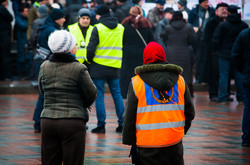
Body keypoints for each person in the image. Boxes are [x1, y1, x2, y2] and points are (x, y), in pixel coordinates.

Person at [122, 42, 195, 165]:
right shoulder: (180, 80)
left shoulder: (136, 83)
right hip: (173, 142)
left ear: (145, 58)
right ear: (164, 57)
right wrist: (179, 131)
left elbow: (129, 116)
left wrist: (129, 140)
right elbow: (190, 112)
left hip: (147, 144)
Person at [39, 30, 97, 165]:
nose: (76, 46)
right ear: (69, 48)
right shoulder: (79, 68)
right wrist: (84, 103)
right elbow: (91, 93)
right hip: (72, 122)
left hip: (48, 120)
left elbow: (43, 92)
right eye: (74, 44)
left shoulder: (44, 66)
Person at [86, 5, 125, 133]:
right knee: (117, 95)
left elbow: (91, 48)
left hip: (98, 66)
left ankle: (101, 125)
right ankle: (122, 123)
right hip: (114, 66)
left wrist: (89, 61)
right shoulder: (120, 28)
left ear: (99, 15)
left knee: (100, 96)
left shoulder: (98, 28)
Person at [33, 8, 66, 133]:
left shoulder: (45, 27)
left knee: (43, 94)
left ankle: (38, 122)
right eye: (62, 17)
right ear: (56, 19)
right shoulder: (52, 30)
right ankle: (39, 122)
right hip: (50, 66)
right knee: (45, 95)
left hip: (42, 64)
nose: (64, 19)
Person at [212, 5, 248, 103]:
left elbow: (216, 40)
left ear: (228, 13)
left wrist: (218, 50)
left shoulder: (223, 25)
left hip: (224, 54)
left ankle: (223, 96)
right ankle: (241, 97)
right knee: (239, 76)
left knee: (224, 75)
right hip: (239, 55)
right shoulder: (243, 25)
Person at [120, 6, 154, 99]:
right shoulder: (146, 24)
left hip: (127, 53)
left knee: (127, 74)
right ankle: (141, 93)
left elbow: (121, 40)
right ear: (141, 12)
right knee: (141, 74)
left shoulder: (125, 24)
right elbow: (151, 41)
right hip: (142, 54)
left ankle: (125, 94)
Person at [161, 11, 196, 97]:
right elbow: (193, 40)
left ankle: (170, 91)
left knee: (171, 72)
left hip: (171, 53)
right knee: (186, 74)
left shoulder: (168, 27)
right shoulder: (188, 27)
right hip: (185, 53)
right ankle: (186, 92)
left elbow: (162, 36)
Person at [202, 2, 228, 101]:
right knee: (214, 75)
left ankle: (224, 93)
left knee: (224, 75)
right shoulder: (211, 23)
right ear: (216, 11)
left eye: (226, 9)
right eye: (222, 9)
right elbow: (207, 39)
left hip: (226, 53)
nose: (225, 11)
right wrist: (212, 51)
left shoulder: (229, 22)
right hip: (214, 53)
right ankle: (213, 93)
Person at [188, 0, 215, 83]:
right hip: (198, 38)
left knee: (206, 59)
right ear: (200, 3)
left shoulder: (211, 11)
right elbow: (190, 23)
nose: (207, 4)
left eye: (207, 2)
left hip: (208, 38)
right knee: (198, 59)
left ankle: (205, 77)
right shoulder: (194, 11)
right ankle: (198, 77)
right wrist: (193, 29)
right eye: (205, 2)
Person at [232, 28, 250, 147]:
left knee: (248, 107)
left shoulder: (244, 34)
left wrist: (242, 70)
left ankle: (247, 138)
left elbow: (235, 55)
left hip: (248, 75)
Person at [14, 5, 30, 79]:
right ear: (21, 12)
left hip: (24, 40)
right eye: (26, 11)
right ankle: (20, 74)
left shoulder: (25, 18)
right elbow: (24, 26)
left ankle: (25, 73)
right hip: (21, 40)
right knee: (21, 57)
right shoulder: (18, 18)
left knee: (25, 57)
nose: (28, 13)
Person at [0, 0, 13, 81]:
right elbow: (10, 17)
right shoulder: (2, 9)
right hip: (4, 36)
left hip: (3, 35)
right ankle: (7, 75)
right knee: (5, 56)